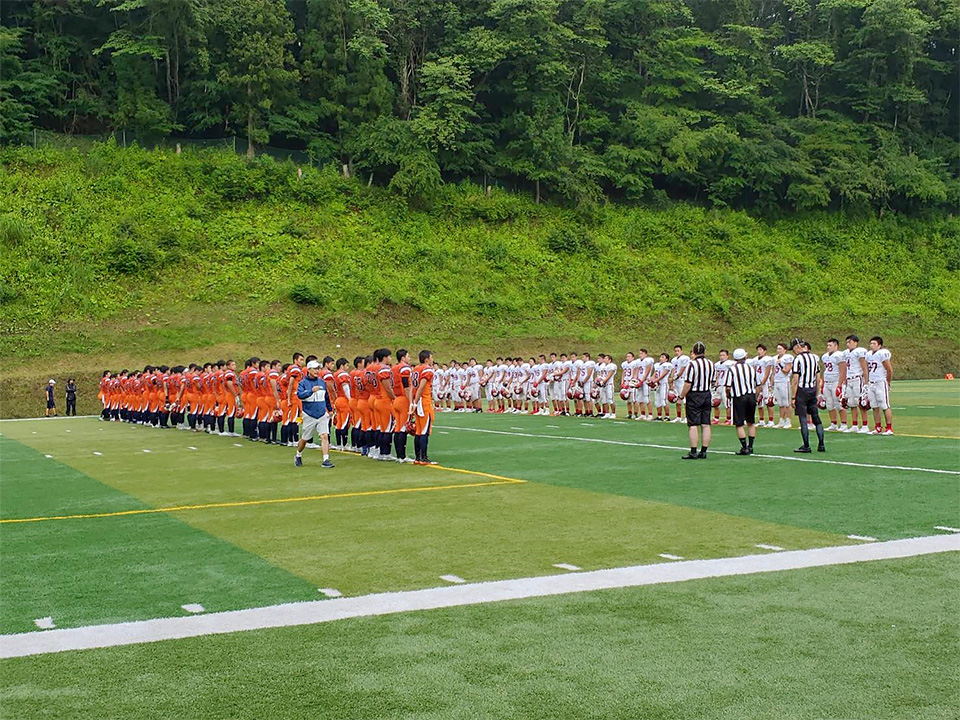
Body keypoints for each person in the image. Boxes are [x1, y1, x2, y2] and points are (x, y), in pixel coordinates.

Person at [294, 360, 334, 468]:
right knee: (305, 439)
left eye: (318, 369)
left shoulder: (322, 382)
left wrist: (330, 409)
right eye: (315, 369)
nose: (317, 371)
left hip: (321, 413)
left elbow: (326, 397)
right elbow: (300, 395)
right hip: (309, 414)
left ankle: (326, 459)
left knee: (324, 435)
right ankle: (298, 454)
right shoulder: (302, 383)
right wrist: (311, 391)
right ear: (309, 370)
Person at [679, 342, 715, 459]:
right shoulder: (710, 363)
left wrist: (681, 396)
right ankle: (704, 451)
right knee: (705, 424)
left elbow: (688, 383)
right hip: (706, 394)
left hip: (694, 395)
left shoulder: (692, 364)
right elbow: (714, 381)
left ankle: (693, 451)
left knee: (693, 424)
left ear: (693, 352)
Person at [790, 338, 825, 453]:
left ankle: (806, 445)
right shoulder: (814, 357)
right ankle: (821, 444)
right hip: (812, 389)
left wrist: (793, 397)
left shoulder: (798, 359)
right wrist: (817, 392)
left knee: (803, 418)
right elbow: (818, 377)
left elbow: (795, 380)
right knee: (816, 418)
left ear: (797, 347)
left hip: (802, 390)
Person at [726, 349, 758, 455]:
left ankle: (744, 447)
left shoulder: (732, 369)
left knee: (739, 423)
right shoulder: (751, 368)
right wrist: (756, 396)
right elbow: (757, 384)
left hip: (739, 397)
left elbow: (728, 386)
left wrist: (728, 395)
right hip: (751, 395)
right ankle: (751, 446)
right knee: (751, 422)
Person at [410, 350, 438, 465]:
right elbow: (421, 387)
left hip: (417, 400)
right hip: (423, 401)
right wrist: (415, 402)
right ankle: (423, 458)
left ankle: (418, 457)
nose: (432, 360)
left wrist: (412, 402)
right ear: (426, 359)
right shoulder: (427, 369)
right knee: (424, 431)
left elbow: (412, 386)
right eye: (431, 357)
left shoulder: (415, 369)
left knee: (418, 430)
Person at [865, 336, 894, 435]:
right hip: (872, 383)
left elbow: (889, 370)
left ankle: (889, 428)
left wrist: (888, 382)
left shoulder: (882, 354)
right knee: (874, 406)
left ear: (879, 345)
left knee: (885, 405)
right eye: (871, 343)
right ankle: (878, 427)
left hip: (880, 382)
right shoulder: (868, 355)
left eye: (874, 344)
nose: (871, 346)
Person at [820, 339, 844, 431]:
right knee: (829, 404)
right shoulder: (825, 356)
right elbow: (825, 370)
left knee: (839, 404)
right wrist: (822, 384)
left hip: (835, 381)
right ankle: (833, 424)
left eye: (830, 345)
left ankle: (843, 424)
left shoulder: (839, 355)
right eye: (827, 345)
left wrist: (840, 385)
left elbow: (843, 371)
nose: (828, 347)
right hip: (827, 382)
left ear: (836, 346)